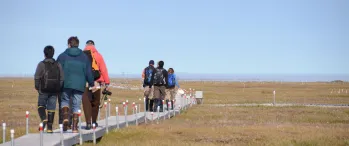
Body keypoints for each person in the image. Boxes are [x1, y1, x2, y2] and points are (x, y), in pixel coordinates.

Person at [57, 36, 96, 132]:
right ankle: (74, 127)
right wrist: (91, 83)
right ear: (78, 44)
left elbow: (57, 70)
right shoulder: (84, 57)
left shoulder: (62, 56)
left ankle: (65, 117)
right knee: (76, 105)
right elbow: (88, 72)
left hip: (66, 84)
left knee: (65, 101)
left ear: (69, 44)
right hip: (79, 85)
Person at [34, 45, 64, 133]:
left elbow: (37, 77)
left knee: (41, 105)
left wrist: (37, 87)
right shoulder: (58, 64)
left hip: (43, 90)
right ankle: (50, 128)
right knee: (52, 108)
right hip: (54, 90)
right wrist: (59, 87)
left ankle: (44, 118)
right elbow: (62, 78)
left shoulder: (41, 64)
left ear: (44, 54)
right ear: (53, 53)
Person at [82, 40, 110, 130]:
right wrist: (107, 82)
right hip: (96, 82)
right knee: (95, 102)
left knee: (86, 103)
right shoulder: (98, 55)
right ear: (94, 46)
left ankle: (88, 123)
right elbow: (103, 69)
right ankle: (94, 122)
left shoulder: (81, 55)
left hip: (84, 82)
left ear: (86, 45)